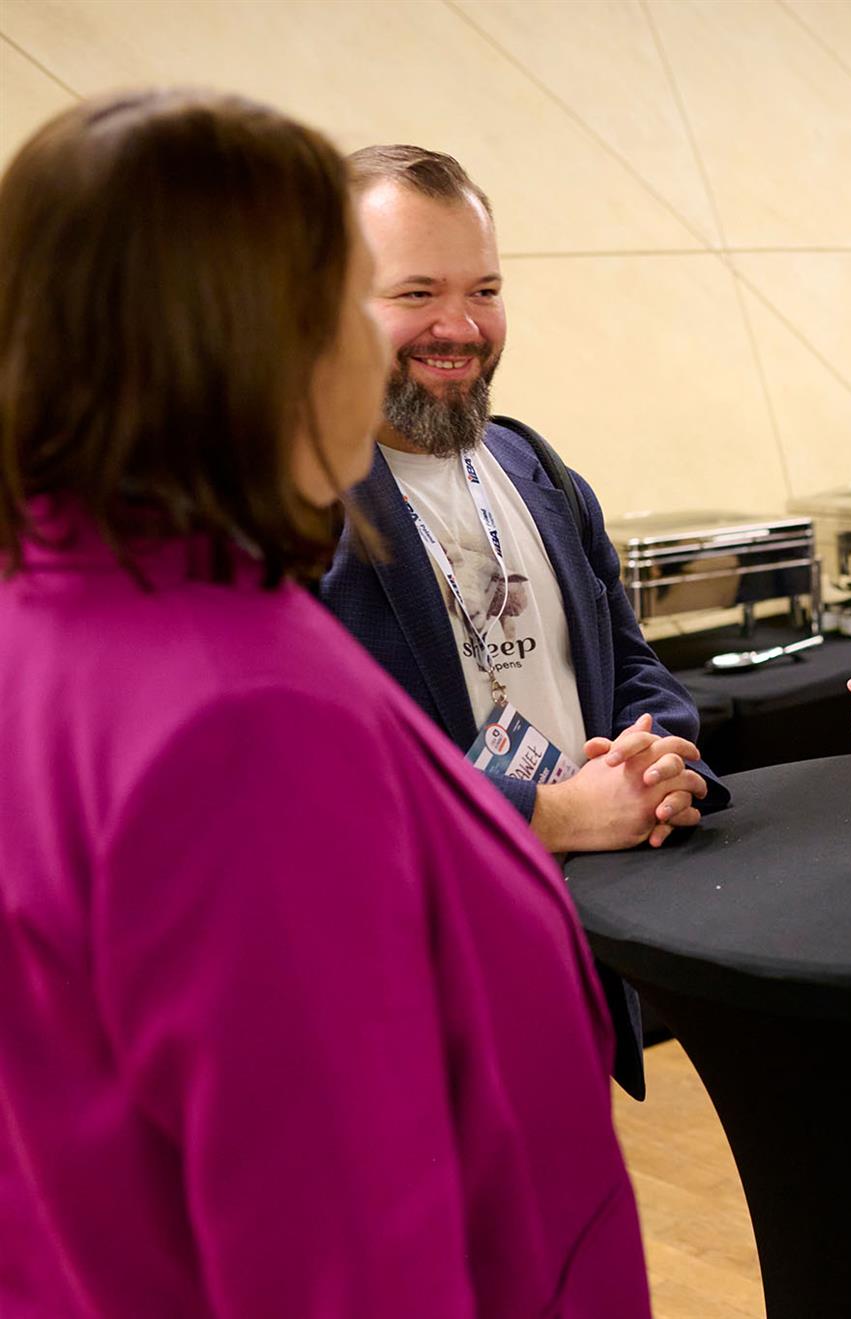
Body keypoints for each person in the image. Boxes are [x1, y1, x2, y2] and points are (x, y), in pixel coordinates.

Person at [0, 91, 647, 1314]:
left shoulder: (69, 608)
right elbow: (338, 1242)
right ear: (255, 339)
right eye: (366, 297)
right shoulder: (239, 720)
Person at [320, 145, 727, 855]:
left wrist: (654, 758)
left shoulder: (537, 468)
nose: (461, 328)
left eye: (483, 291)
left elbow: (631, 667)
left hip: (602, 904)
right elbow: (312, 766)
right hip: (439, 911)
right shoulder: (284, 512)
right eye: (416, 294)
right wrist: (557, 815)